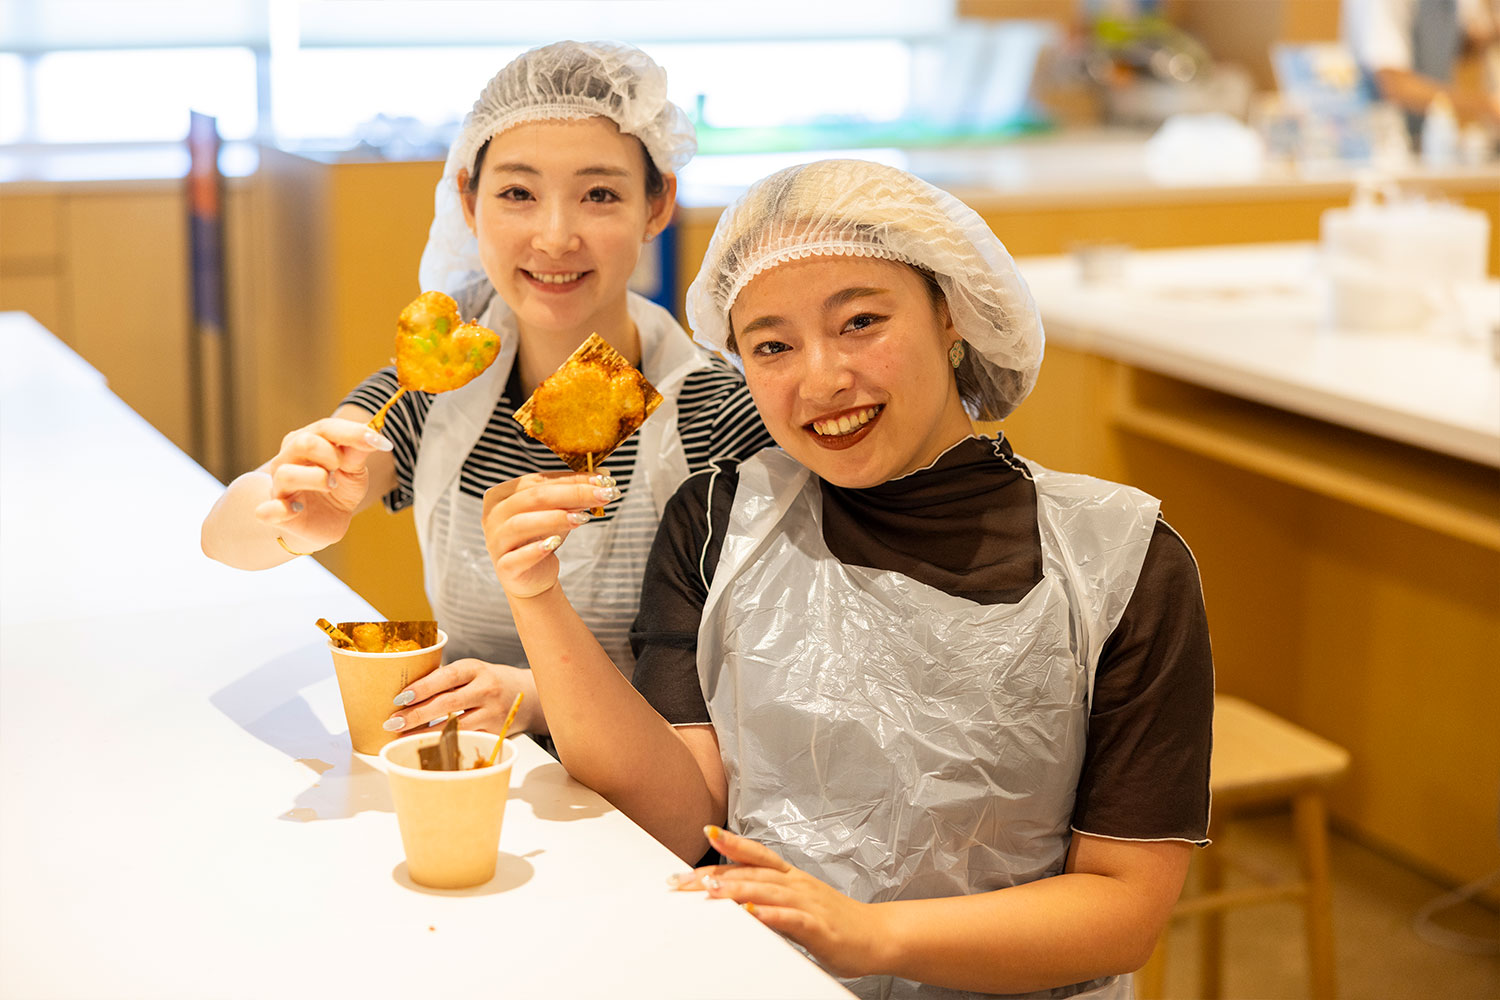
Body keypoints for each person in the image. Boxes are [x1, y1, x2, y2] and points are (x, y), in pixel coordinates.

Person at [481, 159, 1213, 999]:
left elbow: (1124, 911)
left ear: (950, 312)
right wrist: (538, 598)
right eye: (772, 346)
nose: (822, 379)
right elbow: (683, 816)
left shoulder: (1122, 561)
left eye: (861, 321)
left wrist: (871, 935)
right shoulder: (717, 522)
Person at [200, 41, 775, 739]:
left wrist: (538, 696)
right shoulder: (442, 384)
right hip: (466, 767)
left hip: (650, 799)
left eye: (599, 194)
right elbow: (224, 540)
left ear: (658, 206)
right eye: (517, 193)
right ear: (468, 203)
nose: (555, 236)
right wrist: (290, 512)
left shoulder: (716, 412)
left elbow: (758, 668)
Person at [1342, 0, 1500, 133]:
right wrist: (1487, 104)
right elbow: (1394, 84)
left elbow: (1461, 40)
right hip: (1376, 142)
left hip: (1427, 136)